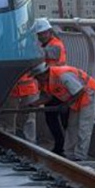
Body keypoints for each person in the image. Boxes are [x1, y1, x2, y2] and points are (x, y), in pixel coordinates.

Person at [27, 62, 95, 160]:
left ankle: (80, 156)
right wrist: (33, 104)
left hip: (88, 94)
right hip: (76, 98)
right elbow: (48, 96)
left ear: (43, 74)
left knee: (84, 127)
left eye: (37, 77)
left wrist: (65, 105)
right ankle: (69, 154)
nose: (36, 79)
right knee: (72, 127)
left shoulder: (62, 75)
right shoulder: (47, 80)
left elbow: (79, 90)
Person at [33, 18, 69, 155]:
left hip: (58, 86)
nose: (41, 36)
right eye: (39, 34)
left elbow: (44, 55)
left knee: (56, 118)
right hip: (51, 86)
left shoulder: (55, 45)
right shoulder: (47, 45)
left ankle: (62, 147)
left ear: (49, 32)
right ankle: (61, 147)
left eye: (43, 33)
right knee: (52, 118)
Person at [0, 67, 40, 143]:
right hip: (13, 90)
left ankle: (30, 141)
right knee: (9, 118)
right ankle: (10, 140)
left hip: (27, 89)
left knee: (29, 118)